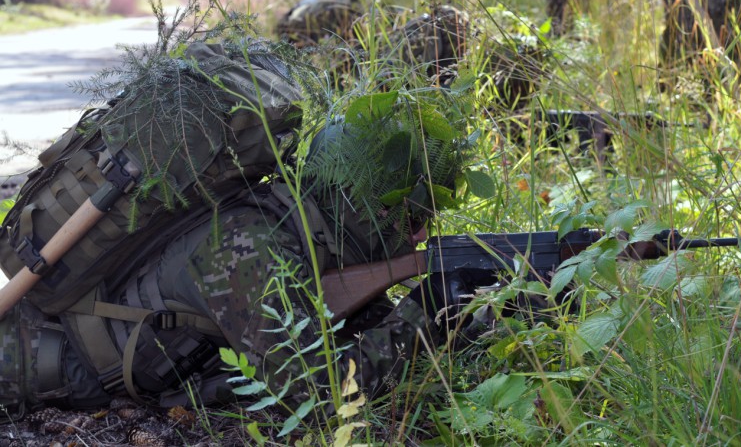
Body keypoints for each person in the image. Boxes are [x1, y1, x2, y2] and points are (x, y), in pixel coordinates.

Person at [0, 81, 489, 419]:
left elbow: (342, 319)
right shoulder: (250, 247)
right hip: (25, 360)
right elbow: (318, 398)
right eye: (411, 220)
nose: (420, 236)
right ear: (366, 208)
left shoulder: (289, 222)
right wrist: (425, 318)